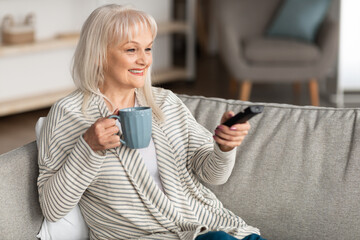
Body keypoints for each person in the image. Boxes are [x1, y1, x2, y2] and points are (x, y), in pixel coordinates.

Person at [37, 4, 266, 240]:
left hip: (208, 227)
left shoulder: (165, 102)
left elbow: (212, 175)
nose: (144, 60)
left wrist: (224, 148)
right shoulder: (69, 114)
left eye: (148, 48)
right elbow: (53, 208)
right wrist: (88, 148)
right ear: (98, 55)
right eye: (131, 50)